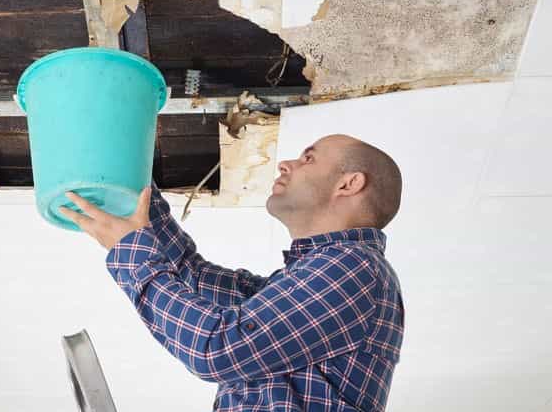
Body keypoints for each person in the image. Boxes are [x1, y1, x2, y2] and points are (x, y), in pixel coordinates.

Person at [60, 133, 405, 411]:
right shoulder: (303, 279)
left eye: (308, 158)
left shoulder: (353, 267)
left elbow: (217, 348)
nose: (285, 164)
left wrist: (131, 250)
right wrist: (130, 170)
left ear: (349, 184)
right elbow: (189, 275)